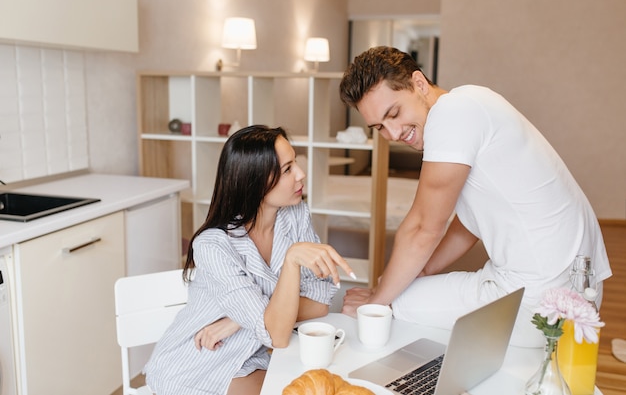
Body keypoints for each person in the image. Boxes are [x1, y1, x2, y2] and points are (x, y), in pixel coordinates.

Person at [339, 46, 611, 347]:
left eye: (394, 113)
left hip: (541, 295)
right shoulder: (471, 102)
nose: (391, 133)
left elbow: (422, 228)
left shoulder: (451, 114)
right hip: (578, 283)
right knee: (400, 290)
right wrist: (419, 272)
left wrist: (377, 301)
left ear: (418, 83)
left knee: (391, 309)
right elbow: (467, 226)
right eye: (379, 127)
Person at [144, 125, 354, 395]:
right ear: (254, 181)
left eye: (296, 164)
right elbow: (277, 333)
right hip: (200, 359)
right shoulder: (213, 245)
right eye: (287, 169)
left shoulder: (295, 214)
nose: (301, 174)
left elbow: (319, 303)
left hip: (253, 349)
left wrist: (239, 320)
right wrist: (291, 261)